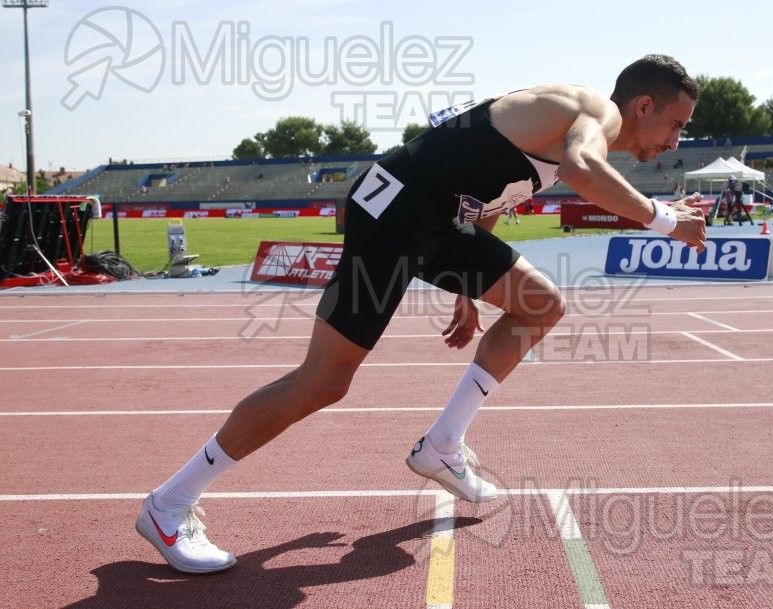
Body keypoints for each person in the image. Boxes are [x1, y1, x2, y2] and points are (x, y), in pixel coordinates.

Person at [135, 54, 707, 574]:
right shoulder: (595, 114)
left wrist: (469, 291)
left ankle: (440, 447)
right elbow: (583, 170)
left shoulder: (563, 124)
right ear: (643, 106)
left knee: (538, 304)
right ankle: (169, 504)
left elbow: (487, 192)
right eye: (676, 125)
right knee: (323, 382)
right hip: (394, 215)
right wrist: (664, 218)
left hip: (434, 223)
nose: (676, 141)